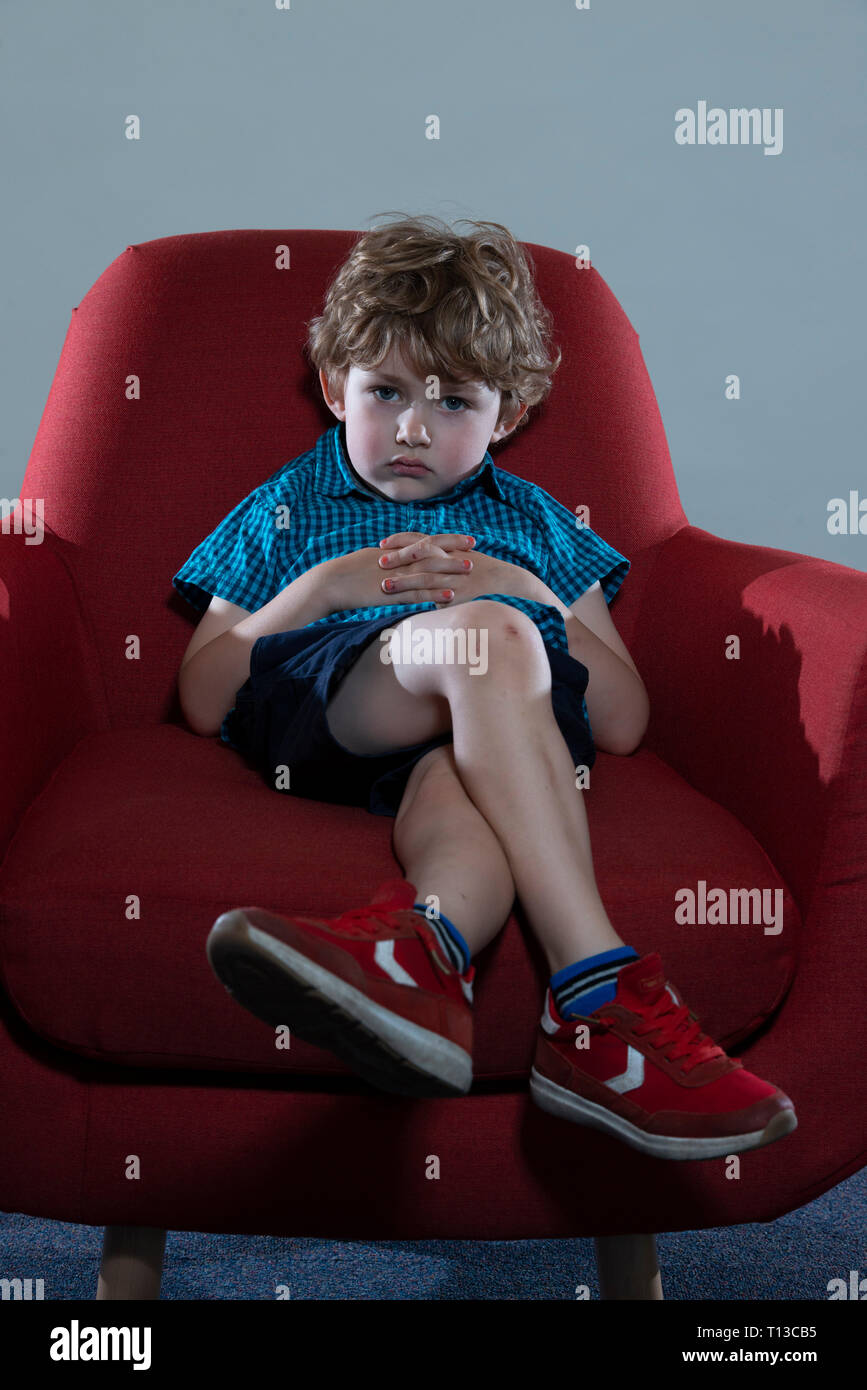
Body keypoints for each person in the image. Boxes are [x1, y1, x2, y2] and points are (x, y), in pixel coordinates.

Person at [173, 213, 796, 1162]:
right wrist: (324, 587)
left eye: (454, 403)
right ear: (338, 388)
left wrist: (530, 591)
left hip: (497, 747)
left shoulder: (535, 523)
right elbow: (204, 696)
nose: (413, 428)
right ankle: (596, 997)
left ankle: (415, 954)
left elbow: (622, 722)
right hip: (335, 707)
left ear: (505, 415)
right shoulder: (289, 504)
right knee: (484, 643)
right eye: (384, 392)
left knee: (460, 782)